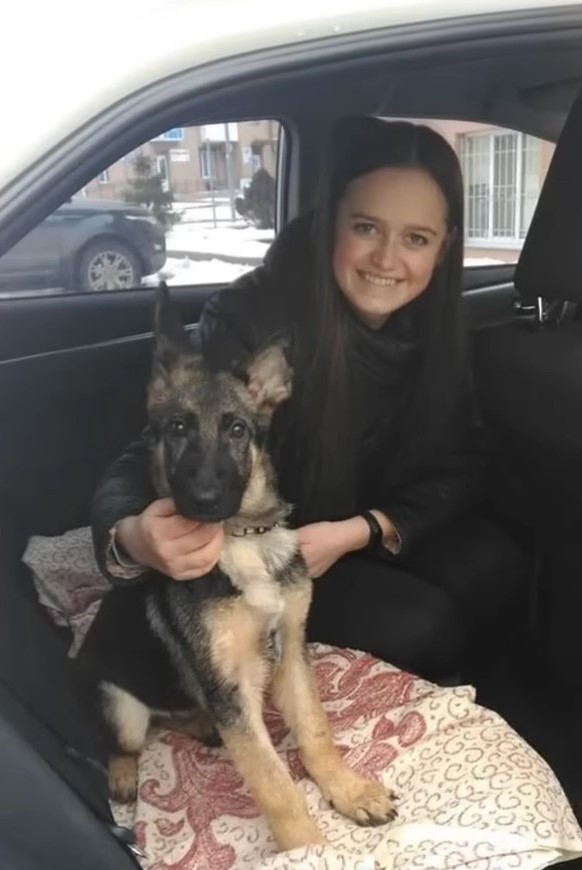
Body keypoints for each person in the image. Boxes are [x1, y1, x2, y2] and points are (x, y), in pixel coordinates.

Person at [91, 116, 526, 682]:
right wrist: (130, 538)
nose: (387, 260)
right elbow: (151, 449)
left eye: (416, 238)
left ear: (442, 251)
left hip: (355, 532)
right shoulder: (254, 322)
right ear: (329, 224)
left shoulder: (438, 329)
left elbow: (463, 459)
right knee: (423, 623)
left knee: (496, 563)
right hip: (270, 549)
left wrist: (366, 528)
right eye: (367, 227)